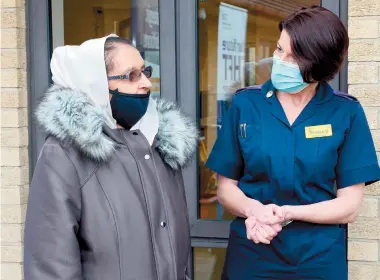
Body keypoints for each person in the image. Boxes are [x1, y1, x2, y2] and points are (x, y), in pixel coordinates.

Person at [206, 6, 380, 280]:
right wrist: (257, 212)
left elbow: (349, 207)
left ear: (319, 64)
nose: (280, 61)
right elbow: (226, 188)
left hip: (318, 257)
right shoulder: (245, 104)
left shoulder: (345, 112)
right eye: (279, 50)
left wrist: (286, 213)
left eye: (293, 56)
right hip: (254, 249)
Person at [24, 34, 197, 280]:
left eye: (145, 71)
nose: (146, 82)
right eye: (131, 75)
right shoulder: (64, 155)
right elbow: (50, 265)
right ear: (96, 83)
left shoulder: (160, 145)